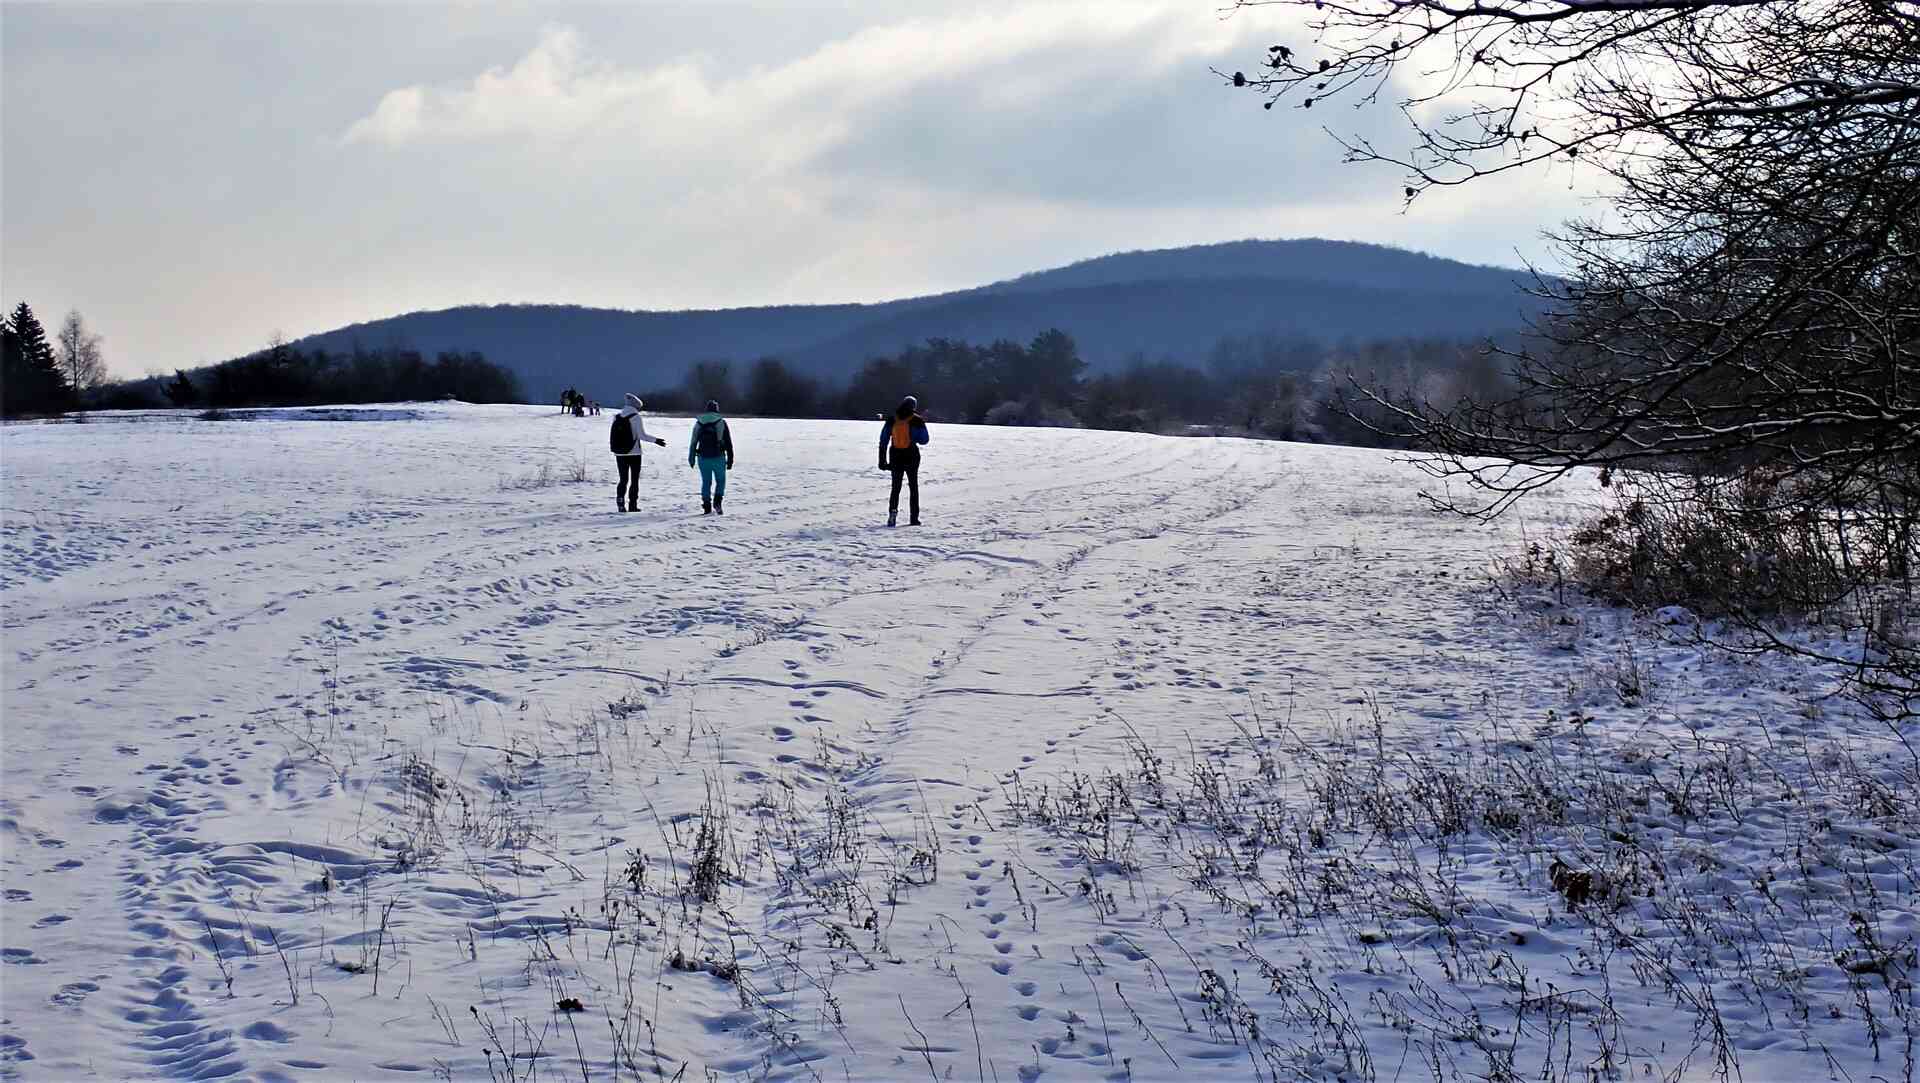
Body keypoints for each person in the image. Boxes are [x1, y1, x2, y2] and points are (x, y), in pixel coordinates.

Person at [609, 393, 667, 512]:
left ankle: (620, 503)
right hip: (634, 453)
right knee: (634, 480)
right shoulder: (635, 416)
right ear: (636, 406)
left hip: (619, 453)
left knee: (623, 479)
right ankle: (633, 505)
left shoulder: (617, 416)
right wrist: (656, 440)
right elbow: (642, 436)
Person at [878, 395, 930, 527]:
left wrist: (882, 460)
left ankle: (892, 515)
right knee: (913, 487)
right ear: (914, 406)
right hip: (911, 455)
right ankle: (914, 518)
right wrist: (914, 437)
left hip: (895, 455)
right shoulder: (917, 420)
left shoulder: (892, 418)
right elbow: (925, 439)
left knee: (896, 487)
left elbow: (883, 440)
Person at [688, 400, 735, 515]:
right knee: (720, 481)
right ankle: (718, 503)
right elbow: (728, 442)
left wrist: (691, 458)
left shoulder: (699, 423)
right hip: (718, 456)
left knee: (706, 481)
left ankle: (706, 505)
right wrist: (730, 459)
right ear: (717, 410)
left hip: (703, 457)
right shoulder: (721, 422)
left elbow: (693, 442)